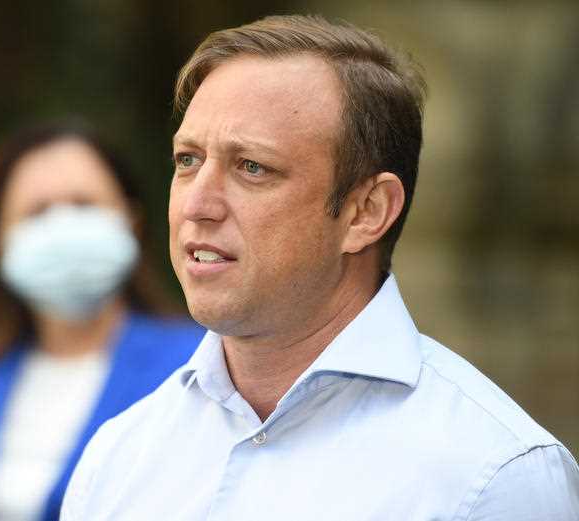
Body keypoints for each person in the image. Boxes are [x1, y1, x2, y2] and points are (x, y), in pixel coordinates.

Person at [61, 15, 579, 520]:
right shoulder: (119, 455)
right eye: (188, 160)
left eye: (252, 167)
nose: (197, 204)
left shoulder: (494, 475)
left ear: (366, 212)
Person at [0, 121, 204, 521]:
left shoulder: (197, 363)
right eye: (38, 212)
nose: (63, 226)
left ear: (131, 222)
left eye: (84, 204)